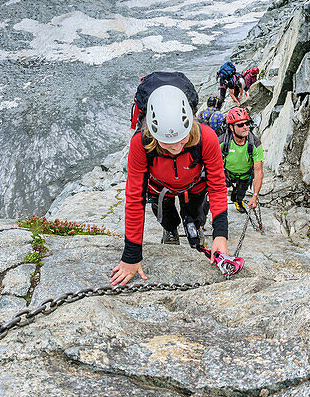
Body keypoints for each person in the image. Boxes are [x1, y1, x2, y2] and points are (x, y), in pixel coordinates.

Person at [111, 84, 230, 285]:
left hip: (194, 186)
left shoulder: (206, 137)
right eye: (167, 143)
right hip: (160, 190)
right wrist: (131, 255)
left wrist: (220, 234)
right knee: (166, 217)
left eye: (181, 140)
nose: (176, 148)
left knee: (196, 215)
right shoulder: (141, 144)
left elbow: (217, 185)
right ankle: (170, 229)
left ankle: (195, 226)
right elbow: (134, 198)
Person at [220, 107, 264, 214]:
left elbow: (258, 171)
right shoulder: (222, 142)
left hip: (245, 176)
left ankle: (238, 201)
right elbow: (211, 164)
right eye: (240, 125)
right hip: (226, 174)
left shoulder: (255, 143)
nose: (245, 127)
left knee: (240, 193)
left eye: (247, 123)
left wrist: (255, 196)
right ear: (231, 127)